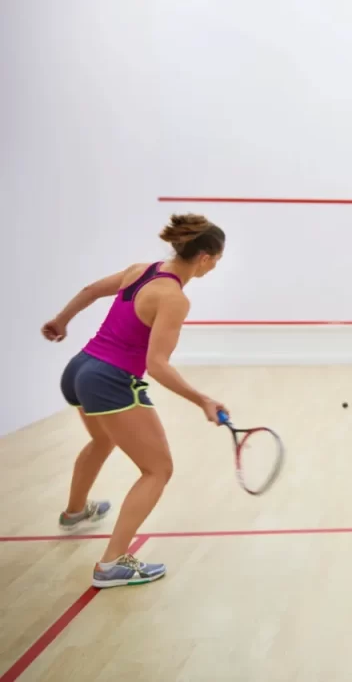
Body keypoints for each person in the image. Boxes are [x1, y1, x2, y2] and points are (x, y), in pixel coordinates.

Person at [41, 214, 230, 589]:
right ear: (205, 257)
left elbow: (91, 289)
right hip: (109, 380)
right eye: (217, 260)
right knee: (158, 470)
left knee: (102, 439)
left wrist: (62, 320)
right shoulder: (174, 298)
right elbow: (156, 366)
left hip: (79, 369)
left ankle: (75, 513)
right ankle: (112, 564)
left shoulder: (141, 270)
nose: (215, 267)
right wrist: (202, 400)